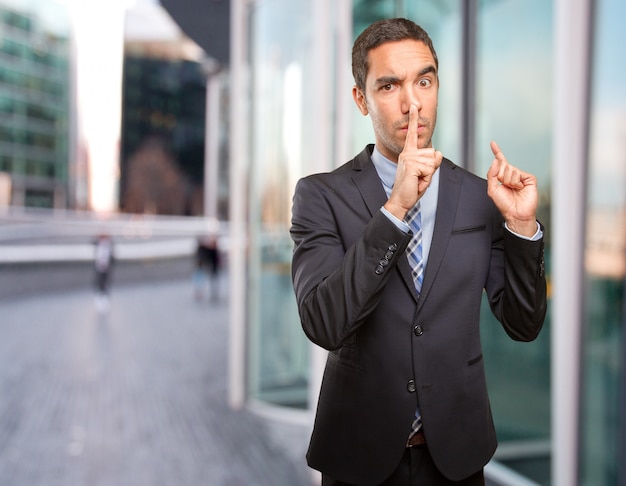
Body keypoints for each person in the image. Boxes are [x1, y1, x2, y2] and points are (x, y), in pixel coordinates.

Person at [290, 18, 547, 486]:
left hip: (458, 455)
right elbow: (323, 323)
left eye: (424, 81)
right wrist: (396, 209)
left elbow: (523, 324)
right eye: (389, 86)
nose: (412, 103)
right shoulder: (320, 196)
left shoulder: (478, 196)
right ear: (361, 99)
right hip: (359, 456)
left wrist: (522, 226)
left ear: (437, 87)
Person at [93, 233, 114, 312]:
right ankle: (101, 299)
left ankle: (105, 300)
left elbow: (112, 257)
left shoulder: (109, 245)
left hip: (107, 269)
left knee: (105, 284)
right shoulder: (98, 244)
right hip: (99, 269)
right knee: (100, 283)